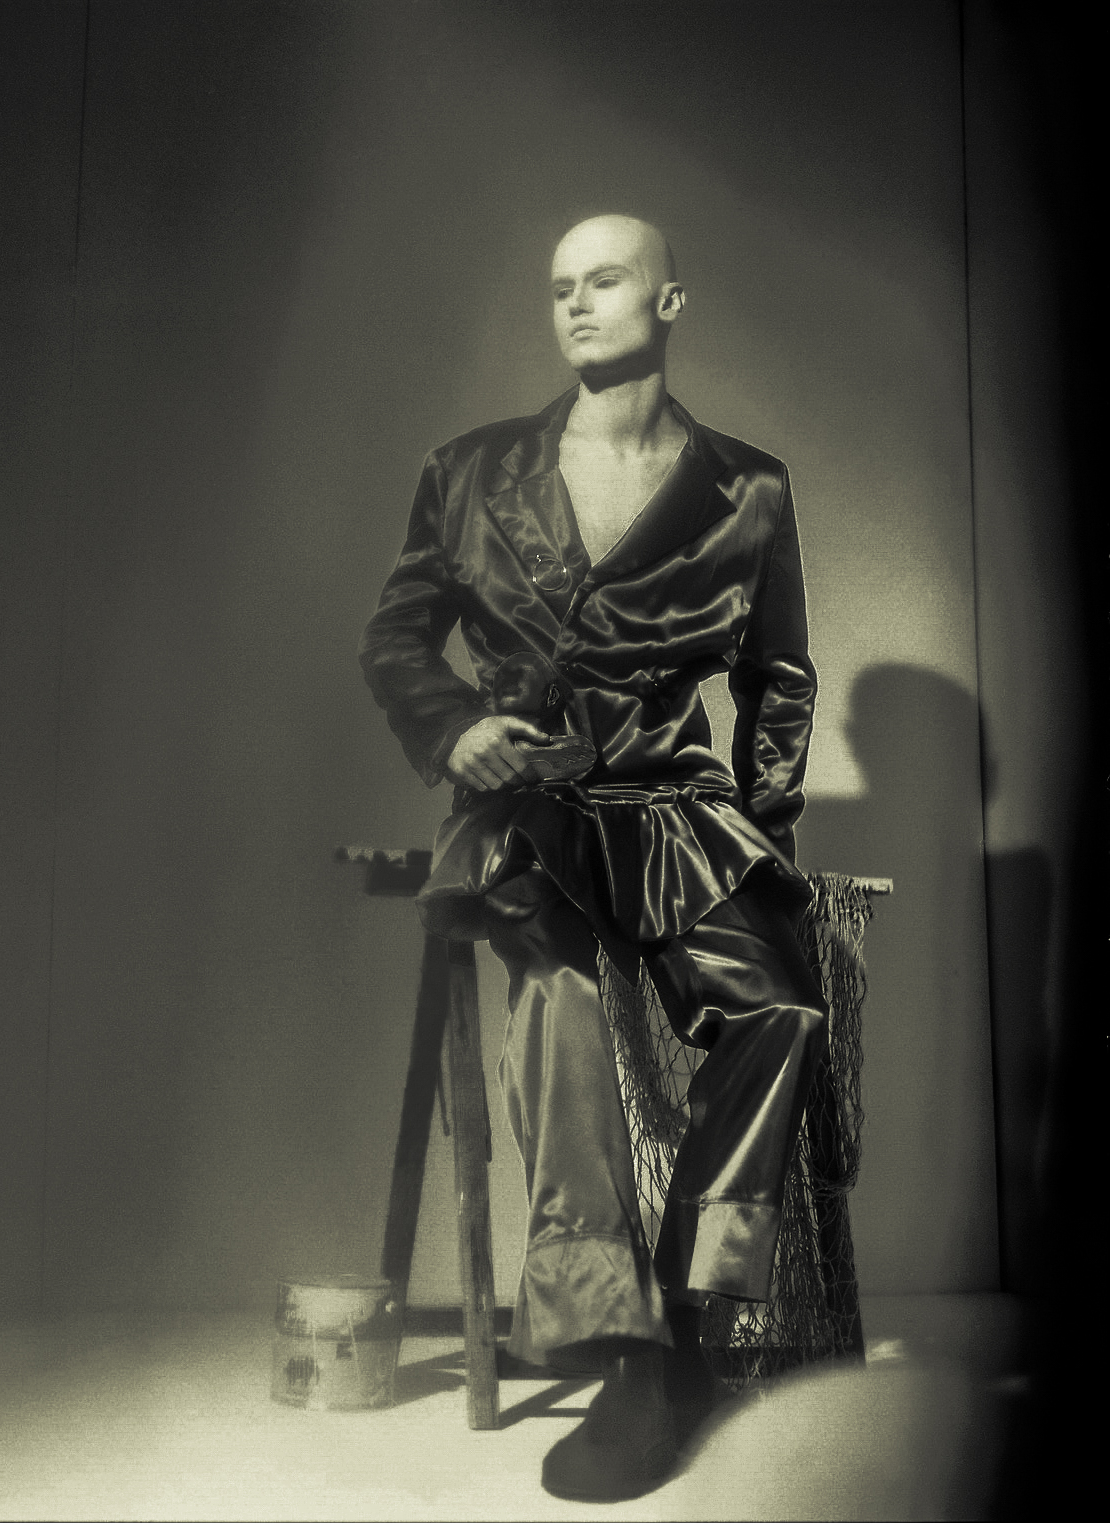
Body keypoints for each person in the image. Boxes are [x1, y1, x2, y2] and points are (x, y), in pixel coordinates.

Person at [359, 215, 828, 1502]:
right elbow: (395, 637)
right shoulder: (469, 470)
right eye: (558, 285)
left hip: (676, 813)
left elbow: (778, 680)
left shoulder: (747, 488)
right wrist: (454, 730)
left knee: (779, 1008)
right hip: (530, 811)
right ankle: (618, 1345)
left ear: (667, 300)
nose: (574, 302)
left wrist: (764, 842)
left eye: (604, 278)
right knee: (564, 998)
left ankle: (693, 1313)